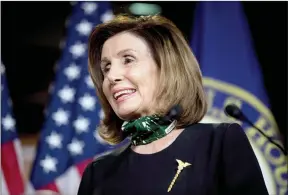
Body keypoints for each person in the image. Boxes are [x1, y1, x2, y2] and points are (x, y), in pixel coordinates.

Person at [77, 14, 268, 195]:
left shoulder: (219, 142)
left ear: (166, 67)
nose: (111, 76)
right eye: (106, 68)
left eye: (128, 59)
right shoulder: (98, 172)